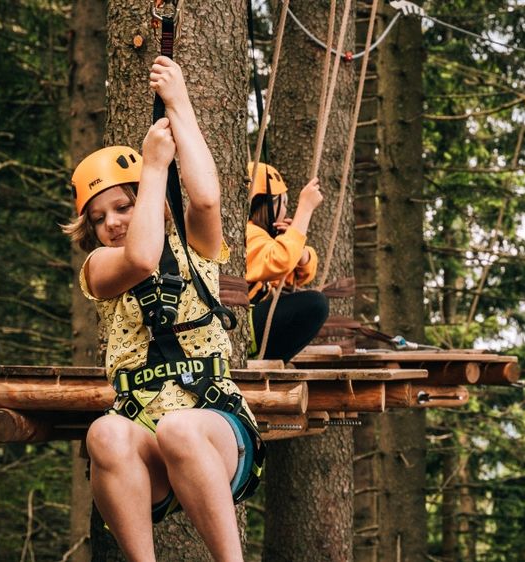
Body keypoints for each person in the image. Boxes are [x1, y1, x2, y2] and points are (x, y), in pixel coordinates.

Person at [63, 56, 262, 562]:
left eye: (123, 207)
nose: (111, 222)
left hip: (213, 429)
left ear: (148, 200)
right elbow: (142, 258)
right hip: (146, 447)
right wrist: (151, 166)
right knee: (104, 432)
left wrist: (178, 103)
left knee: (180, 427)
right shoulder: (100, 269)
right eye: (100, 217)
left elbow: (207, 200)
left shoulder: (195, 250)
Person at [244, 163, 330, 361]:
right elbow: (279, 261)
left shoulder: (262, 237)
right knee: (315, 304)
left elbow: (296, 277)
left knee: (313, 302)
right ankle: (265, 359)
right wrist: (305, 210)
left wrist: (299, 252)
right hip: (240, 323)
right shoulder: (249, 232)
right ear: (269, 204)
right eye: (282, 203)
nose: (285, 210)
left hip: (245, 322)